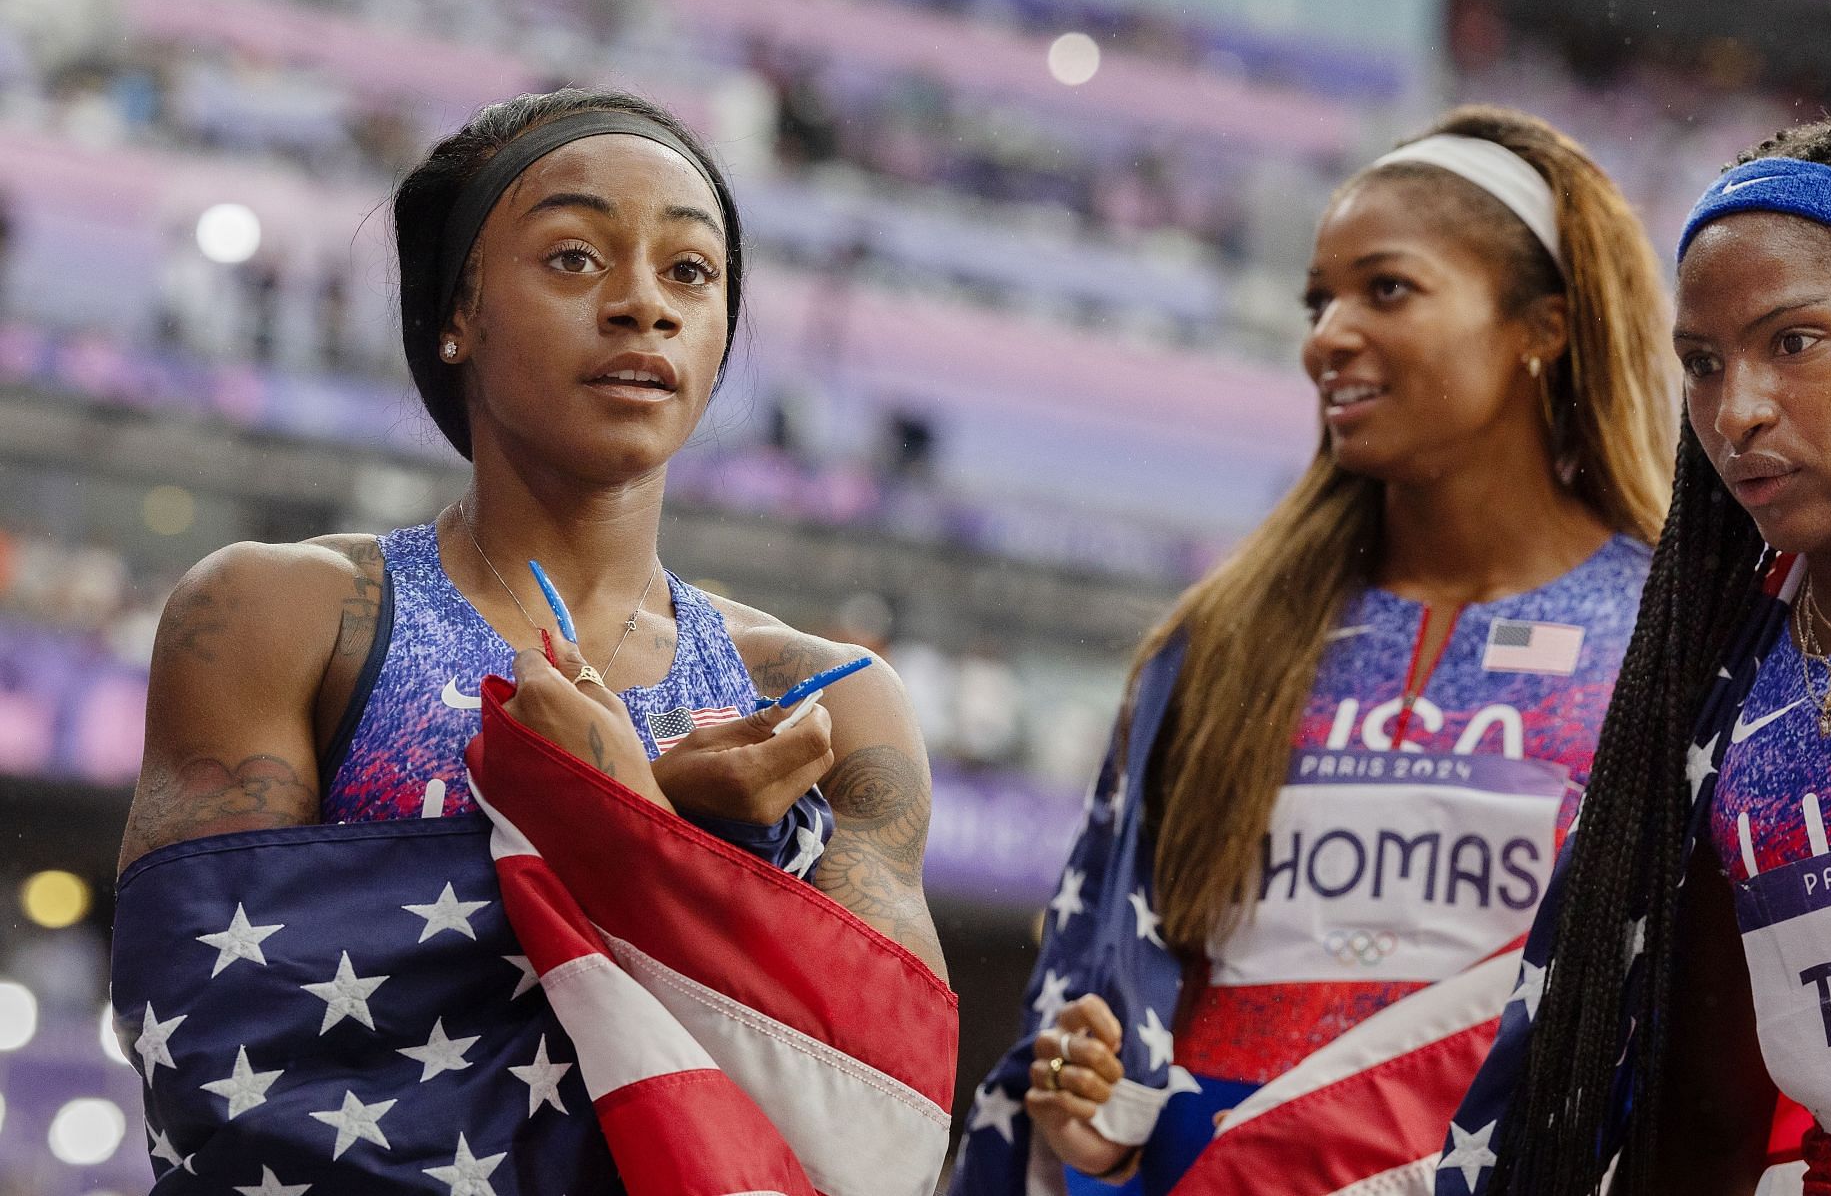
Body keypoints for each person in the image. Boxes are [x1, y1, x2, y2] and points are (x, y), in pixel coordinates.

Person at [114, 87, 950, 1186]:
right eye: (572, 257)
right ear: (455, 314)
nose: (643, 304)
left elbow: (872, 1125)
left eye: (690, 272)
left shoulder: (830, 700)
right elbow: (226, 1062)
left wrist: (640, 832)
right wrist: (630, 833)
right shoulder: (281, 616)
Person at [951, 105, 1676, 1194]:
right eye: (1318, 299)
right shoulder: (1220, 640)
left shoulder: (1667, 640)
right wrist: (1088, 1083)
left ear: (1544, 327)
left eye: (1386, 288)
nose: (1325, 335)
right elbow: (1120, 987)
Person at [1440, 116, 1831, 1196]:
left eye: (1795, 341)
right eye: (1702, 364)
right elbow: (1701, 1119)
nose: (1735, 411)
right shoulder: (1717, 694)